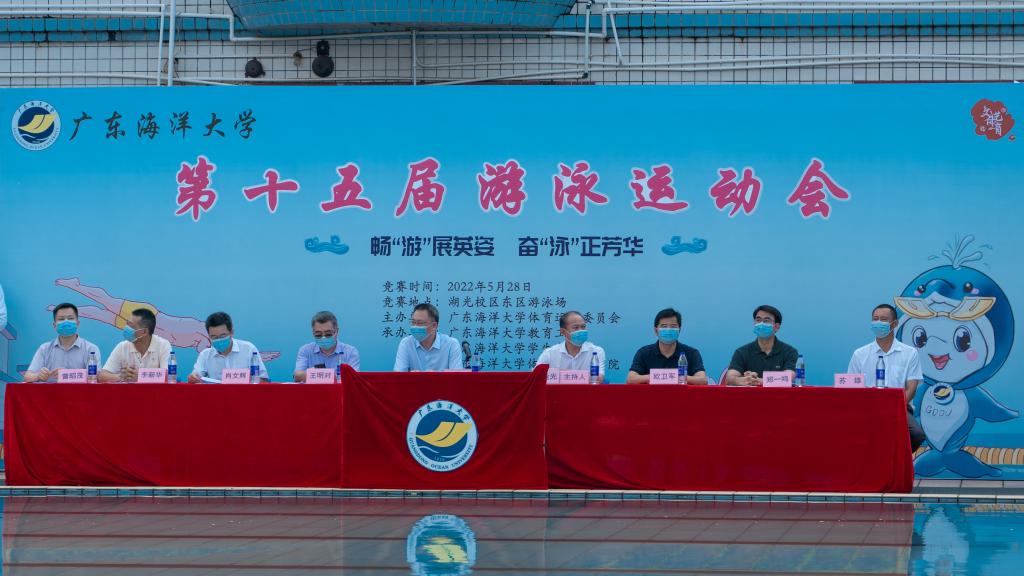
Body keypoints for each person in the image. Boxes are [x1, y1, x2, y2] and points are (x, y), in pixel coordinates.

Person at [847, 303, 926, 451]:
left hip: (899, 407)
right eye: (875, 319)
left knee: (916, 434)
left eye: (883, 319)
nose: (878, 323)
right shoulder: (860, 354)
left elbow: (912, 387)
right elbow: (851, 387)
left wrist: (894, 407)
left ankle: (895, 459)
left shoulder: (909, 353)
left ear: (894, 324)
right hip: (868, 407)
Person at [23, 302, 101, 382]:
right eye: (61, 319)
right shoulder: (44, 349)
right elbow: (27, 377)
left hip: (81, 390)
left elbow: (96, 377)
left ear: (78, 323)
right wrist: (38, 375)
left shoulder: (91, 349)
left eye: (70, 318)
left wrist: (66, 374)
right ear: (54, 325)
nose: (66, 322)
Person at [626, 307, 707, 384]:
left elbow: (703, 380)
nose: (668, 329)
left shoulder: (691, 353)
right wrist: (656, 377)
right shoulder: (644, 353)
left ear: (679, 330)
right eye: (664, 326)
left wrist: (676, 377)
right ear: (656, 330)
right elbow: (630, 379)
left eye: (673, 326)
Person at [726, 304, 799, 386]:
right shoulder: (741, 352)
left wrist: (760, 381)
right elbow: (729, 378)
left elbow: (787, 378)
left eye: (766, 320)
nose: (761, 324)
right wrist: (746, 380)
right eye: (758, 320)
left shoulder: (789, 352)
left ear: (776, 327)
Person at [188, 311, 269, 383]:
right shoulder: (205, 355)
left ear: (231, 332)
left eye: (222, 336)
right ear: (209, 336)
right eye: (214, 337)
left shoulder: (249, 349)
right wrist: (193, 378)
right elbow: (195, 377)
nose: (219, 340)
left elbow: (263, 381)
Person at [99, 308, 172, 382]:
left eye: (131, 326)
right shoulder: (122, 347)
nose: (126, 328)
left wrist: (141, 376)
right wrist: (121, 377)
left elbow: (169, 376)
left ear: (144, 332)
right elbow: (102, 376)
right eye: (127, 324)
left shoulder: (163, 345)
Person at [536, 310, 606, 383]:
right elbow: (536, 378)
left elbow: (598, 379)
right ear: (563, 332)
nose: (581, 331)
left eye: (583, 327)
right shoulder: (549, 354)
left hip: (586, 390)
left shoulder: (596, 352)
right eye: (575, 328)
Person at [294, 310, 360, 381]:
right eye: (318, 335)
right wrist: (328, 376)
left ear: (336, 331)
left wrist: (320, 375)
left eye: (328, 334)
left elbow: (354, 380)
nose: (323, 338)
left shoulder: (350, 352)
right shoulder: (306, 350)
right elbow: (297, 376)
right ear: (313, 333)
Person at [394, 303, 462, 371]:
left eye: (420, 323)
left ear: (434, 326)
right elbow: (398, 375)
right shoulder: (406, 343)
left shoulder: (451, 344)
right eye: (413, 322)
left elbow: (457, 376)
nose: (415, 326)